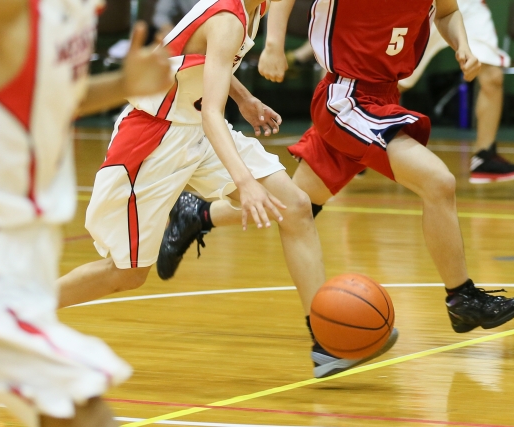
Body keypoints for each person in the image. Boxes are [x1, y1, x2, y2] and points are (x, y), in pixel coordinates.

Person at [55, 0, 395, 379]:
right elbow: (212, 113)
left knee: (295, 206)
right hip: (154, 139)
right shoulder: (227, 18)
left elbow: (200, 59)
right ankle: (21, 313)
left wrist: (245, 98)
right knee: (126, 273)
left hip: (195, 129)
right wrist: (245, 184)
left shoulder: (253, 9)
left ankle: (327, 339)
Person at [157, 0, 514, 336]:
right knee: (439, 181)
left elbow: (447, 13)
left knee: (295, 206)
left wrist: (461, 44)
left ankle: (199, 215)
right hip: (348, 98)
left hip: (384, 93)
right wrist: (274, 45)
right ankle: (461, 298)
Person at [0, 0, 173, 425]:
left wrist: (123, 84)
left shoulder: (77, 10)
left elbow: (50, 98)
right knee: (81, 409)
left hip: (26, 251)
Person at [399, 0, 514, 184]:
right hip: (426, 6)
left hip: (469, 6)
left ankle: (484, 156)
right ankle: (356, 144)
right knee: (396, 82)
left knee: (492, 76)